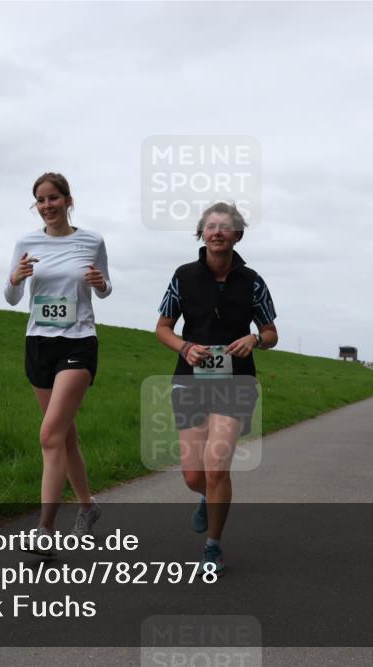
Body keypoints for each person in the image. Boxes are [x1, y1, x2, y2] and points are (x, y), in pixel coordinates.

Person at [155, 202, 278, 574]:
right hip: (190, 380)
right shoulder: (183, 276)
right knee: (193, 475)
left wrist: (255, 339)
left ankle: (213, 546)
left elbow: (272, 333)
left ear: (237, 234)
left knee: (216, 468)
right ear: (202, 233)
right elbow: (162, 328)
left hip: (236, 381)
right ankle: (208, 500)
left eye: (225, 226)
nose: (217, 231)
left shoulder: (253, 281)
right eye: (211, 226)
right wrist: (185, 347)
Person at [4, 172, 111, 556]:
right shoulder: (26, 241)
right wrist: (15, 278)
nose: (47, 206)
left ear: (69, 200)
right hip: (38, 343)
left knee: (49, 435)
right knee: (64, 436)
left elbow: (106, 287)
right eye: (40, 200)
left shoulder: (92, 240)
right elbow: (12, 296)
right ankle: (88, 507)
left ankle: (44, 530)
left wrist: (99, 283)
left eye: (53, 198)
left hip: (78, 342)